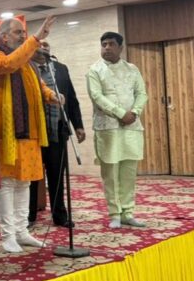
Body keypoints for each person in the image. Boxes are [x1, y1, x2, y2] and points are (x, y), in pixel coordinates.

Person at [0, 16, 59, 253]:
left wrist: (51, 95)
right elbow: (9, 64)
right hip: (6, 132)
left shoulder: (27, 62)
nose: (22, 36)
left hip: (30, 131)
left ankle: (22, 231)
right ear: (3, 36)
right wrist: (36, 39)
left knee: (24, 182)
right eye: (18, 32)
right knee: (7, 183)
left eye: (24, 33)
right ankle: (8, 235)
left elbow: (37, 85)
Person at [86, 32, 148, 229]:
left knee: (129, 172)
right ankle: (114, 214)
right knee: (111, 173)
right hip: (108, 128)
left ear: (121, 47)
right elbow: (97, 97)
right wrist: (121, 114)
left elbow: (141, 93)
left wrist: (135, 112)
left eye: (111, 44)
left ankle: (128, 212)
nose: (107, 47)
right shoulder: (94, 70)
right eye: (103, 44)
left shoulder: (132, 69)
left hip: (132, 127)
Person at [28, 41, 86, 228]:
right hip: (33, 133)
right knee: (32, 176)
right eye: (39, 46)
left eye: (46, 46)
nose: (42, 48)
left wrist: (78, 125)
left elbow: (71, 98)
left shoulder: (60, 69)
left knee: (57, 174)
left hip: (57, 130)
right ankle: (29, 216)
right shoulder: (25, 69)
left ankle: (59, 215)